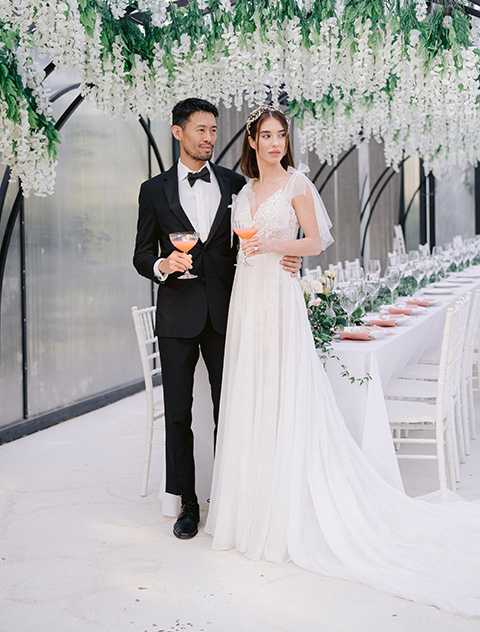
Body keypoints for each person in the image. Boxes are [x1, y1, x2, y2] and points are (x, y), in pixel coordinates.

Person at [205, 105, 480, 617]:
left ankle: (286, 512)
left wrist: (284, 246)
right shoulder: (242, 193)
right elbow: (235, 248)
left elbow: (317, 239)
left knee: (283, 391)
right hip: (248, 301)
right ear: (251, 140)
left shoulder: (297, 184)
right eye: (265, 135)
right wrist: (260, 250)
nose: (274, 143)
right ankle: (250, 509)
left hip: (281, 298)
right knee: (251, 394)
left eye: (281, 135)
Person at [133, 98, 301, 540]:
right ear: (178, 133)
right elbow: (140, 253)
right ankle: (186, 504)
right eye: (201, 130)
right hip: (176, 318)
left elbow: (267, 232)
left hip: (230, 315)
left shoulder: (235, 184)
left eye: (213, 130)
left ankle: (231, 498)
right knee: (178, 415)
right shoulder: (153, 190)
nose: (209, 138)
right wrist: (161, 266)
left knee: (233, 408)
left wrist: (291, 258)